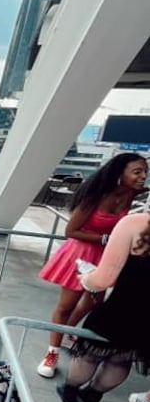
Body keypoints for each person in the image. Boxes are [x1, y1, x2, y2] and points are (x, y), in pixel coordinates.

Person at [36, 153, 147, 378]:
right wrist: (106, 239)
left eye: (145, 172)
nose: (143, 177)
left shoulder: (134, 195)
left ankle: (69, 331)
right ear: (120, 174)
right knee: (66, 305)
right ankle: (52, 353)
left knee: (93, 303)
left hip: (107, 257)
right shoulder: (96, 195)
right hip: (81, 252)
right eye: (137, 172)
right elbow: (70, 231)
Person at [56, 210, 150, 402]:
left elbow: (102, 281)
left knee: (89, 355)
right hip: (146, 321)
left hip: (118, 310)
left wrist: (86, 276)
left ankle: (70, 390)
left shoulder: (135, 223)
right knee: (120, 362)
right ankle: (93, 395)